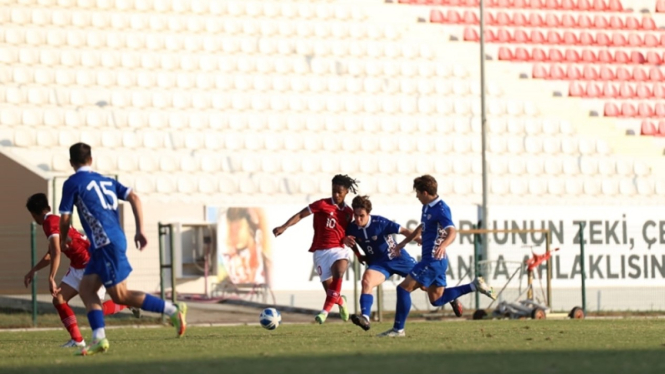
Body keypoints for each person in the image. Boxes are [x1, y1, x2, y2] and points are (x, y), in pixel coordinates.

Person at [58, 143, 186, 356]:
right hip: (108, 242)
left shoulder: (72, 183)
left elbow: (64, 217)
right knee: (87, 290)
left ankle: (173, 310)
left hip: (105, 243)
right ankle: (99, 338)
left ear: (71, 163)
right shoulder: (106, 180)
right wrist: (140, 230)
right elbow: (134, 197)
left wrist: (63, 239)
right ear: (91, 160)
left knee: (120, 295)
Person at [378, 175, 496, 337]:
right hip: (437, 261)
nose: (417, 196)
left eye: (418, 193)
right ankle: (474, 286)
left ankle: (398, 329)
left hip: (432, 260)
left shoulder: (441, 209)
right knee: (436, 299)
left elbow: (452, 231)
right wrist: (404, 242)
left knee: (403, 288)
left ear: (425, 192)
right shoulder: (427, 207)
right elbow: (422, 226)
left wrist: (444, 244)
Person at [23, 193, 140, 348]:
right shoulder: (54, 221)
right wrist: (34, 270)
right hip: (78, 266)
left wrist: (51, 278)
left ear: (33, 214)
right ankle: (77, 340)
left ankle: (126, 303)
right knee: (59, 299)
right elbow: (52, 253)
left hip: (93, 265)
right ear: (48, 208)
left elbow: (56, 252)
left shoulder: (49, 223)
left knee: (96, 310)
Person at [343, 195, 463, 331]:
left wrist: (420, 240)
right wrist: (357, 253)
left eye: (361, 216)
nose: (358, 219)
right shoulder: (352, 228)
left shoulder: (380, 222)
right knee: (366, 281)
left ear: (368, 213)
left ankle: (451, 297)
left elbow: (404, 231)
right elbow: (350, 240)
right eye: (356, 215)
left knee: (425, 286)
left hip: (398, 258)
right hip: (379, 264)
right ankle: (365, 317)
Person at [273, 174, 358, 324]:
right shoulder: (322, 205)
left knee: (340, 271)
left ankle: (324, 313)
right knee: (331, 293)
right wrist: (284, 227)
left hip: (338, 249)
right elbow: (300, 214)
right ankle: (341, 302)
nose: (336, 194)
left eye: (339, 192)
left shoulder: (349, 212)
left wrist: (346, 239)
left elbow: (346, 232)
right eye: (334, 191)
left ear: (346, 192)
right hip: (320, 252)